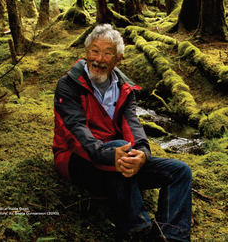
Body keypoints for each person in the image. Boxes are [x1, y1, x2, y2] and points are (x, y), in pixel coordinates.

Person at [53, 24, 192, 242]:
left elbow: (132, 125)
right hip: (76, 159)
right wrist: (109, 154)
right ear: (86, 53)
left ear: (118, 58)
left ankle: (171, 236)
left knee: (180, 171)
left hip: (118, 157)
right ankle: (136, 231)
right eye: (94, 51)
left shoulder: (124, 87)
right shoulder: (68, 84)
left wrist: (143, 154)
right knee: (117, 146)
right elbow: (75, 133)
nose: (98, 59)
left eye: (107, 53)